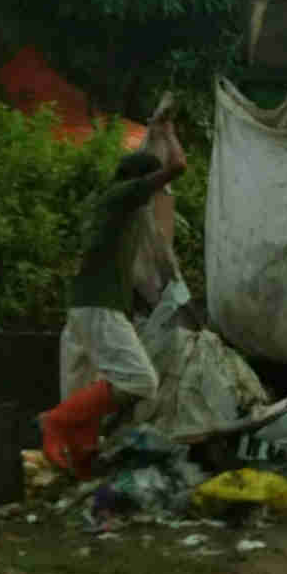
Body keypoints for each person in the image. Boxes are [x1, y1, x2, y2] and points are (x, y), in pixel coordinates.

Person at [41, 117, 187, 480]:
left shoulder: (105, 205)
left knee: (88, 390)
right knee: (141, 382)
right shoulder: (124, 198)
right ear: (140, 183)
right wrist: (168, 134)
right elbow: (178, 167)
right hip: (99, 308)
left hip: (86, 306)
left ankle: (81, 467)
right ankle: (54, 423)